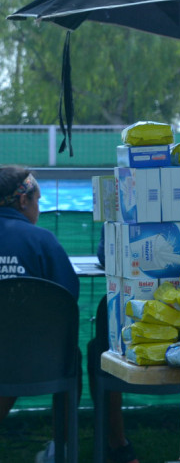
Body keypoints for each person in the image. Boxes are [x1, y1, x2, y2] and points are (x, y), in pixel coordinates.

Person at [0, 166, 138, 463]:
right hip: (44, 364)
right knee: (70, 356)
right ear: (23, 201)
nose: (38, 209)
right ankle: (61, 448)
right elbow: (67, 297)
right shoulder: (42, 241)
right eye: (37, 201)